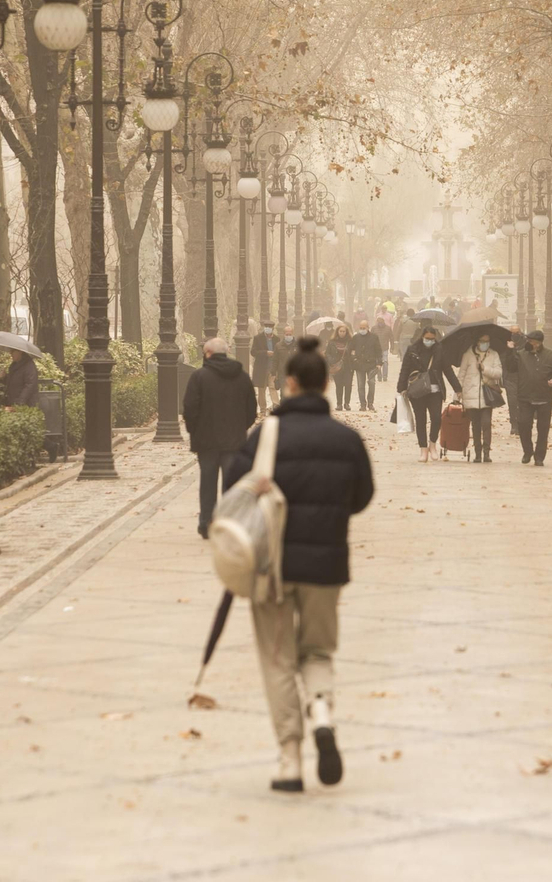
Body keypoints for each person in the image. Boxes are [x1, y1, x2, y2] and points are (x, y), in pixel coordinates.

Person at [224, 335, 374, 794]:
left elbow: (232, 489)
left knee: (277, 660)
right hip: (325, 567)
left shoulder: (263, 436)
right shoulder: (346, 439)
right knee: (317, 652)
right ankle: (322, 712)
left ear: (288, 383)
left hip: (270, 567)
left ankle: (290, 758)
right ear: (327, 383)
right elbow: (361, 497)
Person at [182, 337, 258, 538]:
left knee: (207, 483)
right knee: (231, 484)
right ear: (227, 352)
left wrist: (194, 431)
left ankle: (207, 523)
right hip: (234, 440)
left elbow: (189, 408)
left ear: (207, 353)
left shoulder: (199, 376)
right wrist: (241, 428)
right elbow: (252, 409)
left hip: (206, 441)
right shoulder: (241, 376)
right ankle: (230, 523)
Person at [397, 324, 458, 462]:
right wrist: (401, 388)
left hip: (435, 390)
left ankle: (432, 444)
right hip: (417, 390)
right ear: (422, 337)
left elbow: (448, 371)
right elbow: (404, 369)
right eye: (427, 338)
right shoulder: (412, 350)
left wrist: (457, 388)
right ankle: (423, 449)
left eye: (432, 339)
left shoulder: (440, 350)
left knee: (436, 418)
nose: (429, 341)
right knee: (421, 420)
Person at [511, 330, 552, 466]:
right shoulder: (521, 355)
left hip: (544, 397)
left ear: (538, 343)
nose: (529, 344)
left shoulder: (550, 356)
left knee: (543, 429)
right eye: (528, 341)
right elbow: (510, 367)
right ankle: (527, 451)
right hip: (525, 397)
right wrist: (510, 352)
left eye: (531, 342)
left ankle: (539, 456)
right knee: (523, 425)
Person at [453, 329, 504, 463]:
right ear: (477, 341)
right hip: (470, 395)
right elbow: (462, 374)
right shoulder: (468, 355)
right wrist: (456, 394)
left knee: (486, 424)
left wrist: (485, 369)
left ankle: (487, 453)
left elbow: (499, 373)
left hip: (487, 396)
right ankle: (478, 453)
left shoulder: (494, 354)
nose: (485, 344)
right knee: (475, 425)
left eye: (487, 341)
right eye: (482, 341)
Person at [349, 318, 383, 411]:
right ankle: (362, 404)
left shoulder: (374, 337)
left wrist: (379, 363)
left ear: (368, 328)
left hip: (371, 364)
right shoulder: (355, 337)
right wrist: (354, 359)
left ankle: (370, 403)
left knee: (371, 383)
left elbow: (378, 351)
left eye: (364, 327)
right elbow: (351, 349)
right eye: (361, 328)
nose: (362, 329)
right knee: (361, 385)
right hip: (359, 365)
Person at [250, 320, 279, 411]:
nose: (267, 329)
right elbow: (253, 352)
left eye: (269, 327)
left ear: (273, 329)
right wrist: (266, 353)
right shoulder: (258, 338)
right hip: (261, 367)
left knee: (272, 386)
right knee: (261, 388)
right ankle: (262, 408)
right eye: (266, 327)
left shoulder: (277, 339)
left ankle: (276, 405)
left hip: (272, 367)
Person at [326, 324, 355, 410]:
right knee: (339, 385)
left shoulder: (350, 341)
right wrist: (332, 361)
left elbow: (354, 351)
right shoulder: (332, 342)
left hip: (348, 366)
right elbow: (328, 353)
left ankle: (347, 403)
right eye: (340, 331)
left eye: (344, 331)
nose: (342, 333)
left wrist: (353, 357)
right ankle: (339, 404)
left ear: (346, 332)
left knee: (348, 385)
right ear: (337, 332)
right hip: (336, 366)